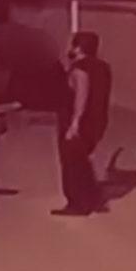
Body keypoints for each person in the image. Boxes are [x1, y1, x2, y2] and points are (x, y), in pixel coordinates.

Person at [51, 31, 112, 216]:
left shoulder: (79, 69)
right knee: (83, 162)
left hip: (78, 122)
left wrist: (74, 124)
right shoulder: (102, 67)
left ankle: (78, 204)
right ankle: (92, 199)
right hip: (97, 121)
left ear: (78, 48)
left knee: (72, 165)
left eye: (72, 45)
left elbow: (81, 96)